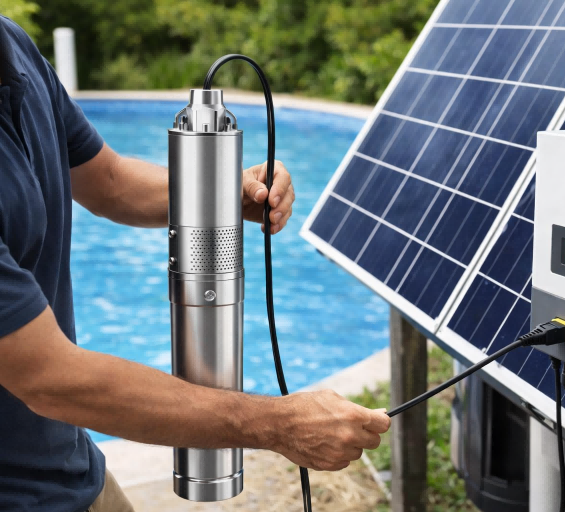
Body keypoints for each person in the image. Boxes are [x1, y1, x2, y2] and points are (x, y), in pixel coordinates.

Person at [0, 15, 391, 512]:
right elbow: (50, 378)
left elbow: (112, 182)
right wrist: (277, 424)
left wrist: (220, 191)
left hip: (70, 468)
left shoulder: (13, 45)